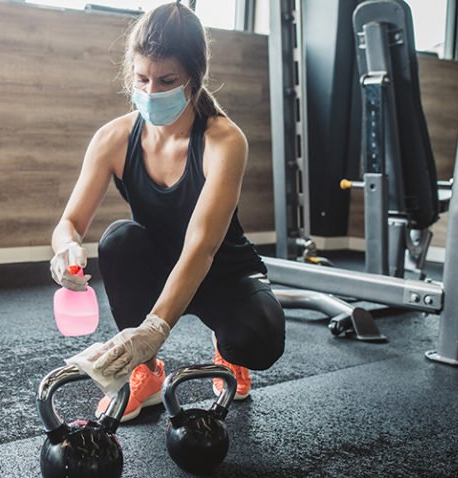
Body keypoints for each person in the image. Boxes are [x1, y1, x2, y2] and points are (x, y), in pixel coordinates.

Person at [49, 1, 285, 422]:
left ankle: (227, 351)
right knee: (119, 240)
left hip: (220, 272)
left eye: (167, 80)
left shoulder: (224, 141)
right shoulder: (114, 138)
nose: (152, 92)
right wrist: (65, 251)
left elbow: (201, 248)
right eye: (142, 78)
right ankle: (147, 372)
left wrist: (154, 329)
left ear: (194, 78)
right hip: (157, 263)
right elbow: (69, 223)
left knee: (261, 338)